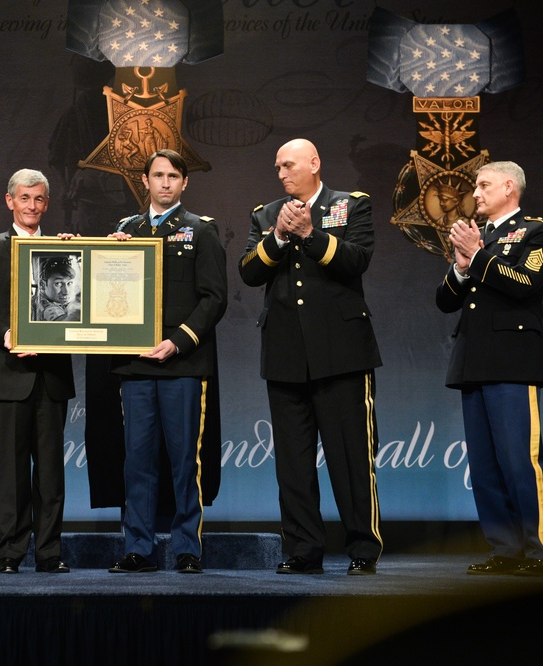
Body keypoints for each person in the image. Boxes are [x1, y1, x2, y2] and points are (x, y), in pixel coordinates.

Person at [238, 138, 383, 576]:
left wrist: (309, 234)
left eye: (289, 165)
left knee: (351, 457)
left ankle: (362, 548)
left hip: (341, 352)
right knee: (293, 463)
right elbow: (249, 271)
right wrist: (279, 236)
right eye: (278, 167)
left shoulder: (350, 205)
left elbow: (357, 260)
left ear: (315, 164)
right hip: (285, 355)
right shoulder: (265, 215)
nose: (281, 174)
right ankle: (303, 549)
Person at [107, 148, 227, 574]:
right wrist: (103, 256)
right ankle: (137, 548)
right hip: (135, 365)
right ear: (144, 181)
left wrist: (178, 342)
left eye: (173, 176)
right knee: (136, 461)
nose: (164, 182)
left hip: (183, 364)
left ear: (184, 183)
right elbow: (108, 295)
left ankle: (186, 550)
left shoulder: (201, 231)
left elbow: (214, 299)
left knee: (183, 463)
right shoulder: (126, 230)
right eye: (157, 175)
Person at [436, 161, 543, 576]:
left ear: (510, 187)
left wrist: (479, 256)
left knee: (519, 460)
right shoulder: (479, 237)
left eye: (484, 184)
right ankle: (505, 549)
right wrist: (460, 265)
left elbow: (525, 283)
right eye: (476, 185)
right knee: (484, 466)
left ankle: (538, 552)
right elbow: (446, 300)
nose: (477, 191)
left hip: (512, 360)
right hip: (474, 361)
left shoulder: (537, 231)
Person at [0, 168, 76, 574]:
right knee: (12, 474)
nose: (32, 206)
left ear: (47, 203)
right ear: (10, 201)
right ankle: (9, 554)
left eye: (40, 199)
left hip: (52, 378)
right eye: (25, 198)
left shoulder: (64, 251)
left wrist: (83, 259)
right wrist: (6, 333)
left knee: (51, 475)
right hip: (6, 375)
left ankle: (49, 554)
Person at [31, 255, 81, 322]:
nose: (66, 292)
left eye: (69, 283)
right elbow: (63, 321)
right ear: (42, 284)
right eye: (58, 284)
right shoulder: (46, 306)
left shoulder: (39, 298)